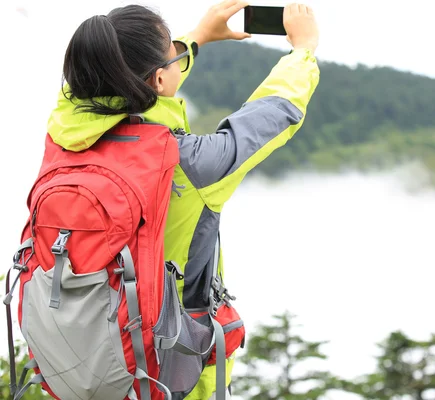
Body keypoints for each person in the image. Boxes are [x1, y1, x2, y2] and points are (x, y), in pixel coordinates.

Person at [47, 1, 320, 399]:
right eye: (172, 57)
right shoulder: (191, 164)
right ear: (158, 79)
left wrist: (196, 38)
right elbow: (273, 114)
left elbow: (131, 82)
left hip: (79, 353)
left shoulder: (64, 125)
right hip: (169, 367)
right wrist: (303, 52)